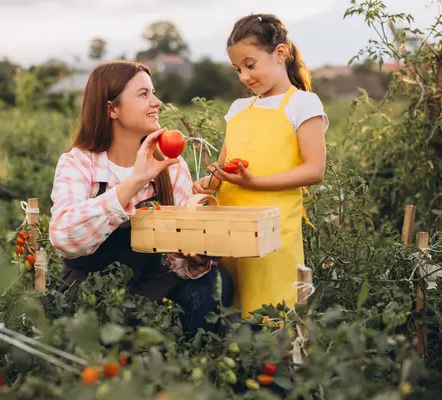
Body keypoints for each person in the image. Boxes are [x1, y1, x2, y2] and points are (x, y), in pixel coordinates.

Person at [49, 60, 233, 337]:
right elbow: (64, 239)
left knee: (215, 284)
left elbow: (177, 253)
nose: (157, 102)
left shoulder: (170, 166)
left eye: (154, 92)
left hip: (149, 290)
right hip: (90, 292)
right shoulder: (78, 164)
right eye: (143, 94)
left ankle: (182, 361)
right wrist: (135, 182)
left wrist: (194, 256)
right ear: (112, 108)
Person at [193, 14, 328, 317]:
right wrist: (210, 182)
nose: (244, 77)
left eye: (250, 65)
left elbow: (314, 170)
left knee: (269, 323)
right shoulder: (239, 109)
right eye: (238, 69)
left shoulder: (303, 104)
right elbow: (225, 167)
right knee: (229, 321)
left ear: (280, 53)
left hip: (273, 235)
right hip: (230, 231)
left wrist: (254, 183)